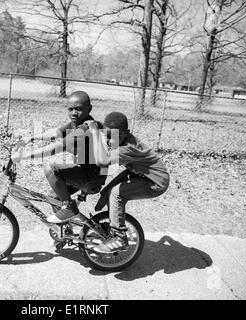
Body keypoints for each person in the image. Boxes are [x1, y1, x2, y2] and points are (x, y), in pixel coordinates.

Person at [11, 91, 106, 223]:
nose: (73, 113)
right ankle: (65, 231)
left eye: (78, 109)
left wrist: (23, 156)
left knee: (50, 167)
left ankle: (69, 207)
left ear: (89, 108)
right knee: (54, 196)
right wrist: (30, 138)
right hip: (87, 173)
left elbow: (55, 148)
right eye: (70, 109)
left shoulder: (85, 128)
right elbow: (56, 133)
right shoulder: (78, 122)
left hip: (91, 178)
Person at [86, 111, 170, 253]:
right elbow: (104, 126)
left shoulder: (127, 148)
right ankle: (114, 226)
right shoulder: (122, 138)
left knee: (116, 194)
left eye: (115, 136)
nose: (111, 140)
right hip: (141, 174)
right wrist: (95, 124)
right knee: (109, 191)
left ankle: (120, 238)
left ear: (127, 133)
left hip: (156, 182)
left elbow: (102, 162)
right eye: (108, 135)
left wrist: (95, 133)